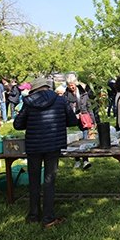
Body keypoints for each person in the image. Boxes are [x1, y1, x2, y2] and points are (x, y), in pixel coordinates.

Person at [14, 77, 78, 229]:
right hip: (53, 145)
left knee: (34, 181)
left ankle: (34, 215)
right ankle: (48, 217)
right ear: (47, 87)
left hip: (33, 145)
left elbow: (18, 124)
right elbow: (73, 121)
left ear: (34, 90)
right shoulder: (60, 100)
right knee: (49, 181)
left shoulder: (28, 103)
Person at [63, 74, 95, 170]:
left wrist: (93, 120)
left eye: (72, 85)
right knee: (74, 141)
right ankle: (77, 159)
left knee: (84, 139)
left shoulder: (83, 93)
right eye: (69, 85)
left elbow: (89, 106)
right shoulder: (66, 96)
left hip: (83, 118)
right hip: (72, 119)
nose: (71, 87)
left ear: (76, 83)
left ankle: (85, 159)